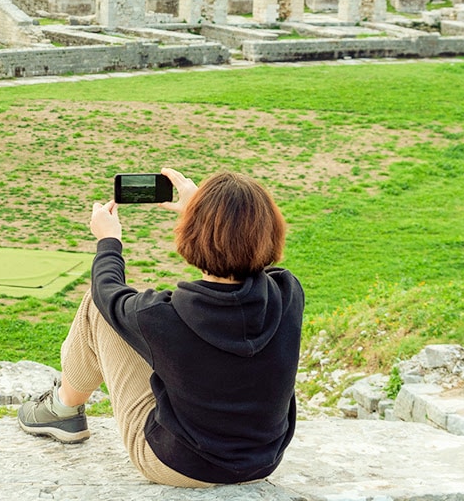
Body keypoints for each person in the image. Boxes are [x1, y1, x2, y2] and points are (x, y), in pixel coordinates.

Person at [17, 167, 303, 487]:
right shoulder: (289, 293)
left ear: (191, 234)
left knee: (96, 309)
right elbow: (248, 262)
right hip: (263, 461)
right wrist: (213, 215)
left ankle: (63, 410)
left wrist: (109, 240)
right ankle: (63, 410)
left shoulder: (163, 317)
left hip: (179, 465)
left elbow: (105, 291)